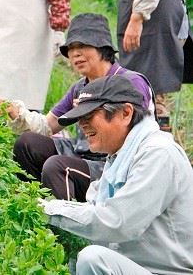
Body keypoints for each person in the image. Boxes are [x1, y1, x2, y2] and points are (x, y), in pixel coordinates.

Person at [40, 75, 193, 274]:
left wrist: (47, 210)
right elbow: (95, 213)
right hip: (138, 267)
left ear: (126, 113)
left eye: (90, 116)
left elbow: (117, 222)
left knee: (93, 259)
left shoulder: (158, 153)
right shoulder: (119, 155)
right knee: (79, 254)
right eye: (80, 119)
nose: (82, 125)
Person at [0, 13, 155, 202]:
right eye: (70, 49)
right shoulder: (80, 87)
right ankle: (31, 208)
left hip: (114, 162)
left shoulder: (130, 82)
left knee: (57, 167)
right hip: (82, 152)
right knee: (28, 143)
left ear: (103, 48)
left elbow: (138, 132)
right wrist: (18, 114)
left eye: (82, 46)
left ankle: (63, 227)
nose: (75, 54)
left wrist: (97, 110)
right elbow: (48, 126)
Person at [118, 0, 192, 129]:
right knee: (151, 93)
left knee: (148, 93)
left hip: (154, 14)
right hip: (164, 5)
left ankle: (151, 146)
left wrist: (138, 16)